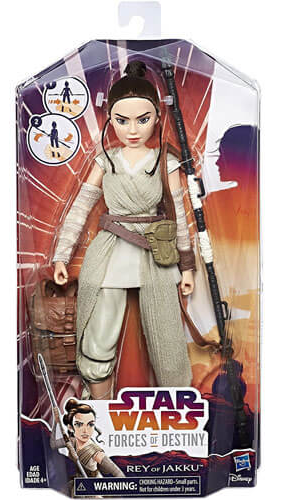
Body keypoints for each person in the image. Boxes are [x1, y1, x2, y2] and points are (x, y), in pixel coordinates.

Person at [52, 60, 196, 399]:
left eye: (142, 120)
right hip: (110, 252)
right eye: (122, 120)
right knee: (99, 334)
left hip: (155, 254)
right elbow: (80, 208)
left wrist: (187, 266)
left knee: (167, 337)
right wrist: (62, 255)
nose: (132, 129)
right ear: (110, 119)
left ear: (157, 118)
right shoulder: (106, 161)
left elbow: (178, 215)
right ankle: (99, 409)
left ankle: (175, 406)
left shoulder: (165, 161)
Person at [50, 399, 124, 496]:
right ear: (70, 427)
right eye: (79, 425)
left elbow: (119, 474)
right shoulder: (71, 441)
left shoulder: (95, 452)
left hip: (92, 489)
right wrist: (56, 422)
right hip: (77, 484)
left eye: (90, 424)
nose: (85, 431)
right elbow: (53, 444)